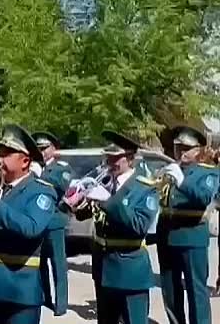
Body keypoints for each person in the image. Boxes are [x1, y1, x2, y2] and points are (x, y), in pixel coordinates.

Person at [0, 124, 56, 324]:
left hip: (18, 289)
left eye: (7, 154)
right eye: (0, 154)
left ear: (25, 160)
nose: (0, 160)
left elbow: (31, 228)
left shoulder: (40, 192)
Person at [73, 131, 159, 324]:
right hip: (104, 267)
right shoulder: (106, 182)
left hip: (129, 269)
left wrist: (108, 201)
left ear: (129, 158)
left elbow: (139, 225)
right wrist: (80, 203)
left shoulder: (144, 187)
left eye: (115, 158)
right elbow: (87, 215)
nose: (110, 162)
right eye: (108, 157)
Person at [156, 126, 218, 324]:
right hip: (166, 235)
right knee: (170, 291)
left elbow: (203, 197)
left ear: (197, 150)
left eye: (185, 148)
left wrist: (182, 181)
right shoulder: (169, 170)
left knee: (196, 291)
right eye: (177, 147)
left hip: (191, 236)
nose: (180, 152)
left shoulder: (207, 173)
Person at [31, 132, 73, 317]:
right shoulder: (34, 167)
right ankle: (44, 297)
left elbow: (62, 184)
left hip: (55, 220)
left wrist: (40, 176)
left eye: (45, 148)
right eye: (39, 149)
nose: (42, 152)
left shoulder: (60, 167)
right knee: (40, 263)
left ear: (54, 148)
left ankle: (61, 304)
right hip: (39, 222)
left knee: (58, 263)